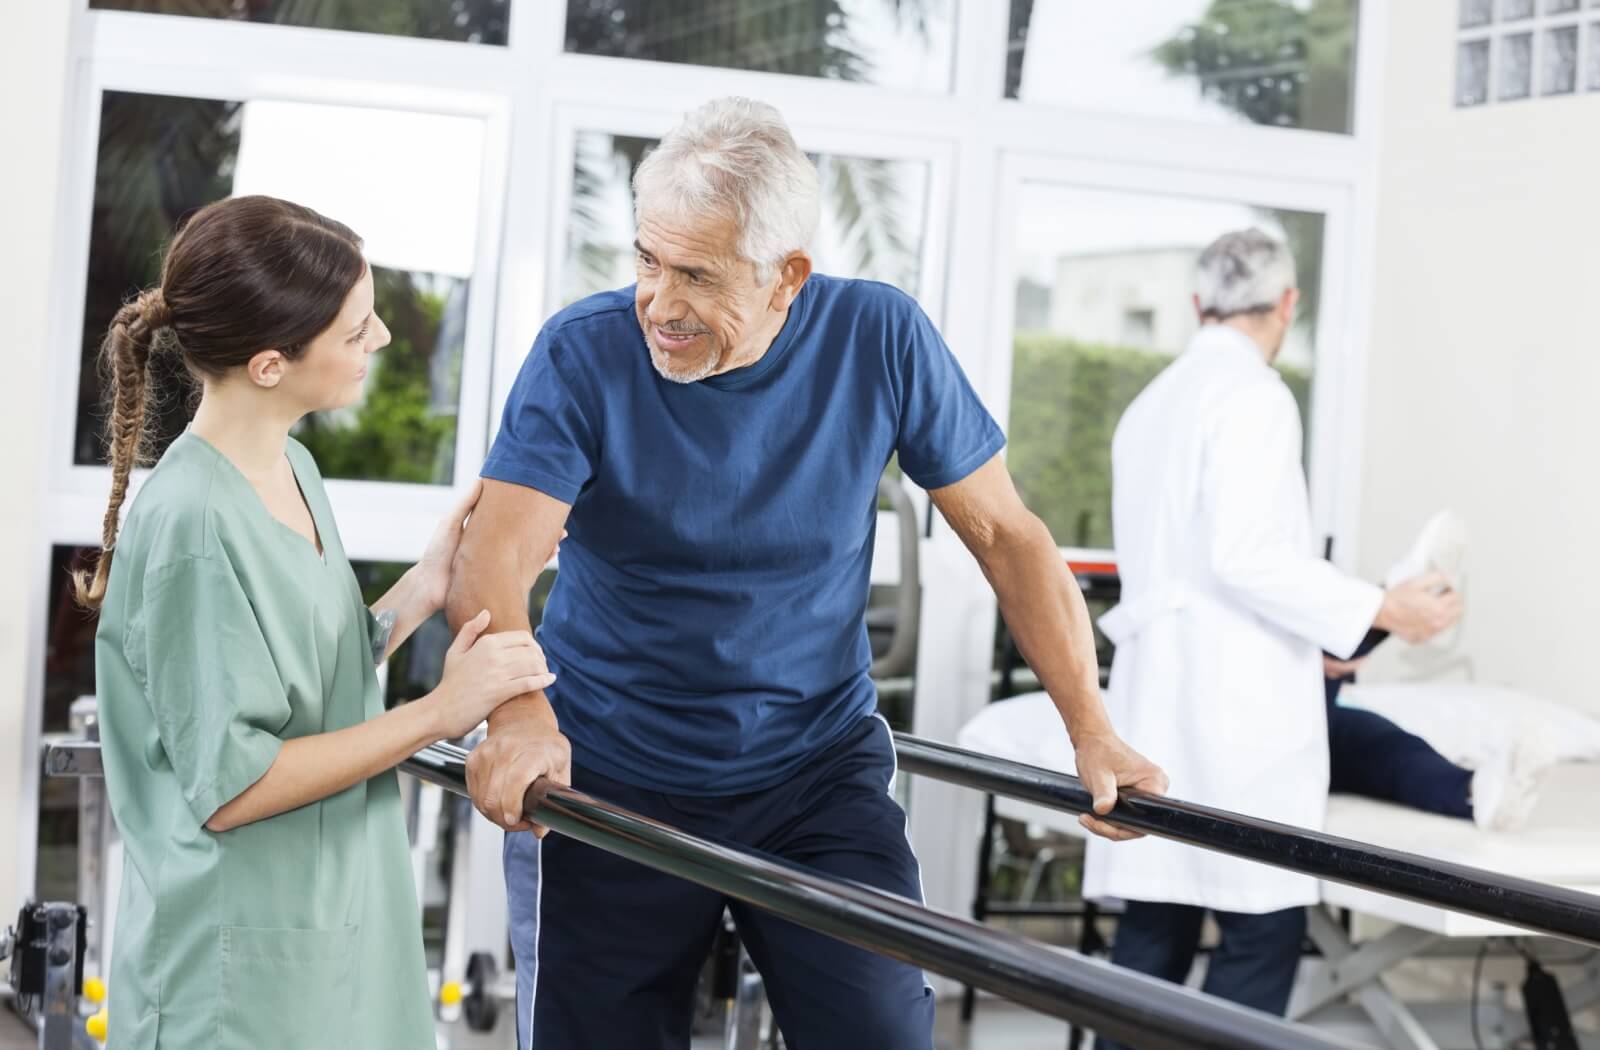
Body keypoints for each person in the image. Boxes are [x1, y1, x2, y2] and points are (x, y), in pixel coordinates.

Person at [446, 97, 1168, 1050]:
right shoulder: (584, 353)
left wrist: (1094, 730)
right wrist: (519, 713)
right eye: (646, 260)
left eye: (695, 275)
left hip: (811, 773)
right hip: (609, 768)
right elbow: (495, 552)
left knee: (881, 1031)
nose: (659, 304)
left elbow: (1006, 536)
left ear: (788, 276)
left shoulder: (880, 337)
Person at [84, 195, 556, 1050]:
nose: (378, 341)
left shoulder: (290, 465)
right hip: (233, 964)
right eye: (355, 331)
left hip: (331, 920)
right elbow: (234, 785)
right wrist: (440, 715)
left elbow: (295, 665)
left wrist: (419, 589)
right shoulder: (193, 521)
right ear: (271, 364)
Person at [1082, 229, 1462, 1045]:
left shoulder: (1153, 404)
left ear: (1196, 304)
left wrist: (1335, 634)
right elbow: (1248, 557)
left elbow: (1199, 566)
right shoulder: (1253, 394)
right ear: (1288, 304)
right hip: (1234, 713)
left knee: (1152, 938)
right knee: (1259, 934)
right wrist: (1383, 608)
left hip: (1162, 695)